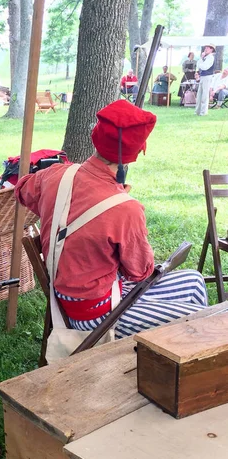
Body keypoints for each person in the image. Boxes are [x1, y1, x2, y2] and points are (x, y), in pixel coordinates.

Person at [14, 100, 207, 357]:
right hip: (95, 315)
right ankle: (178, 373)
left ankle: (176, 371)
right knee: (199, 324)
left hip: (88, 295)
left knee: (194, 281)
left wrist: (61, 209)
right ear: (134, 154)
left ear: (96, 138)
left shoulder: (55, 175)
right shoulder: (125, 209)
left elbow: (22, 190)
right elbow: (140, 272)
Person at [195, 43, 216, 116]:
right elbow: (198, 65)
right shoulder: (205, 57)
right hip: (203, 76)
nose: (206, 49)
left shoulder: (210, 57)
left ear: (211, 50)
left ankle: (203, 112)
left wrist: (201, 63)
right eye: (206, 47)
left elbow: (204, 67)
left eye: (208, 48)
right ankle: (198, 111)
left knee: (204, 95)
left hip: (207, 76)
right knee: (199, 94)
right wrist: (201, 58)